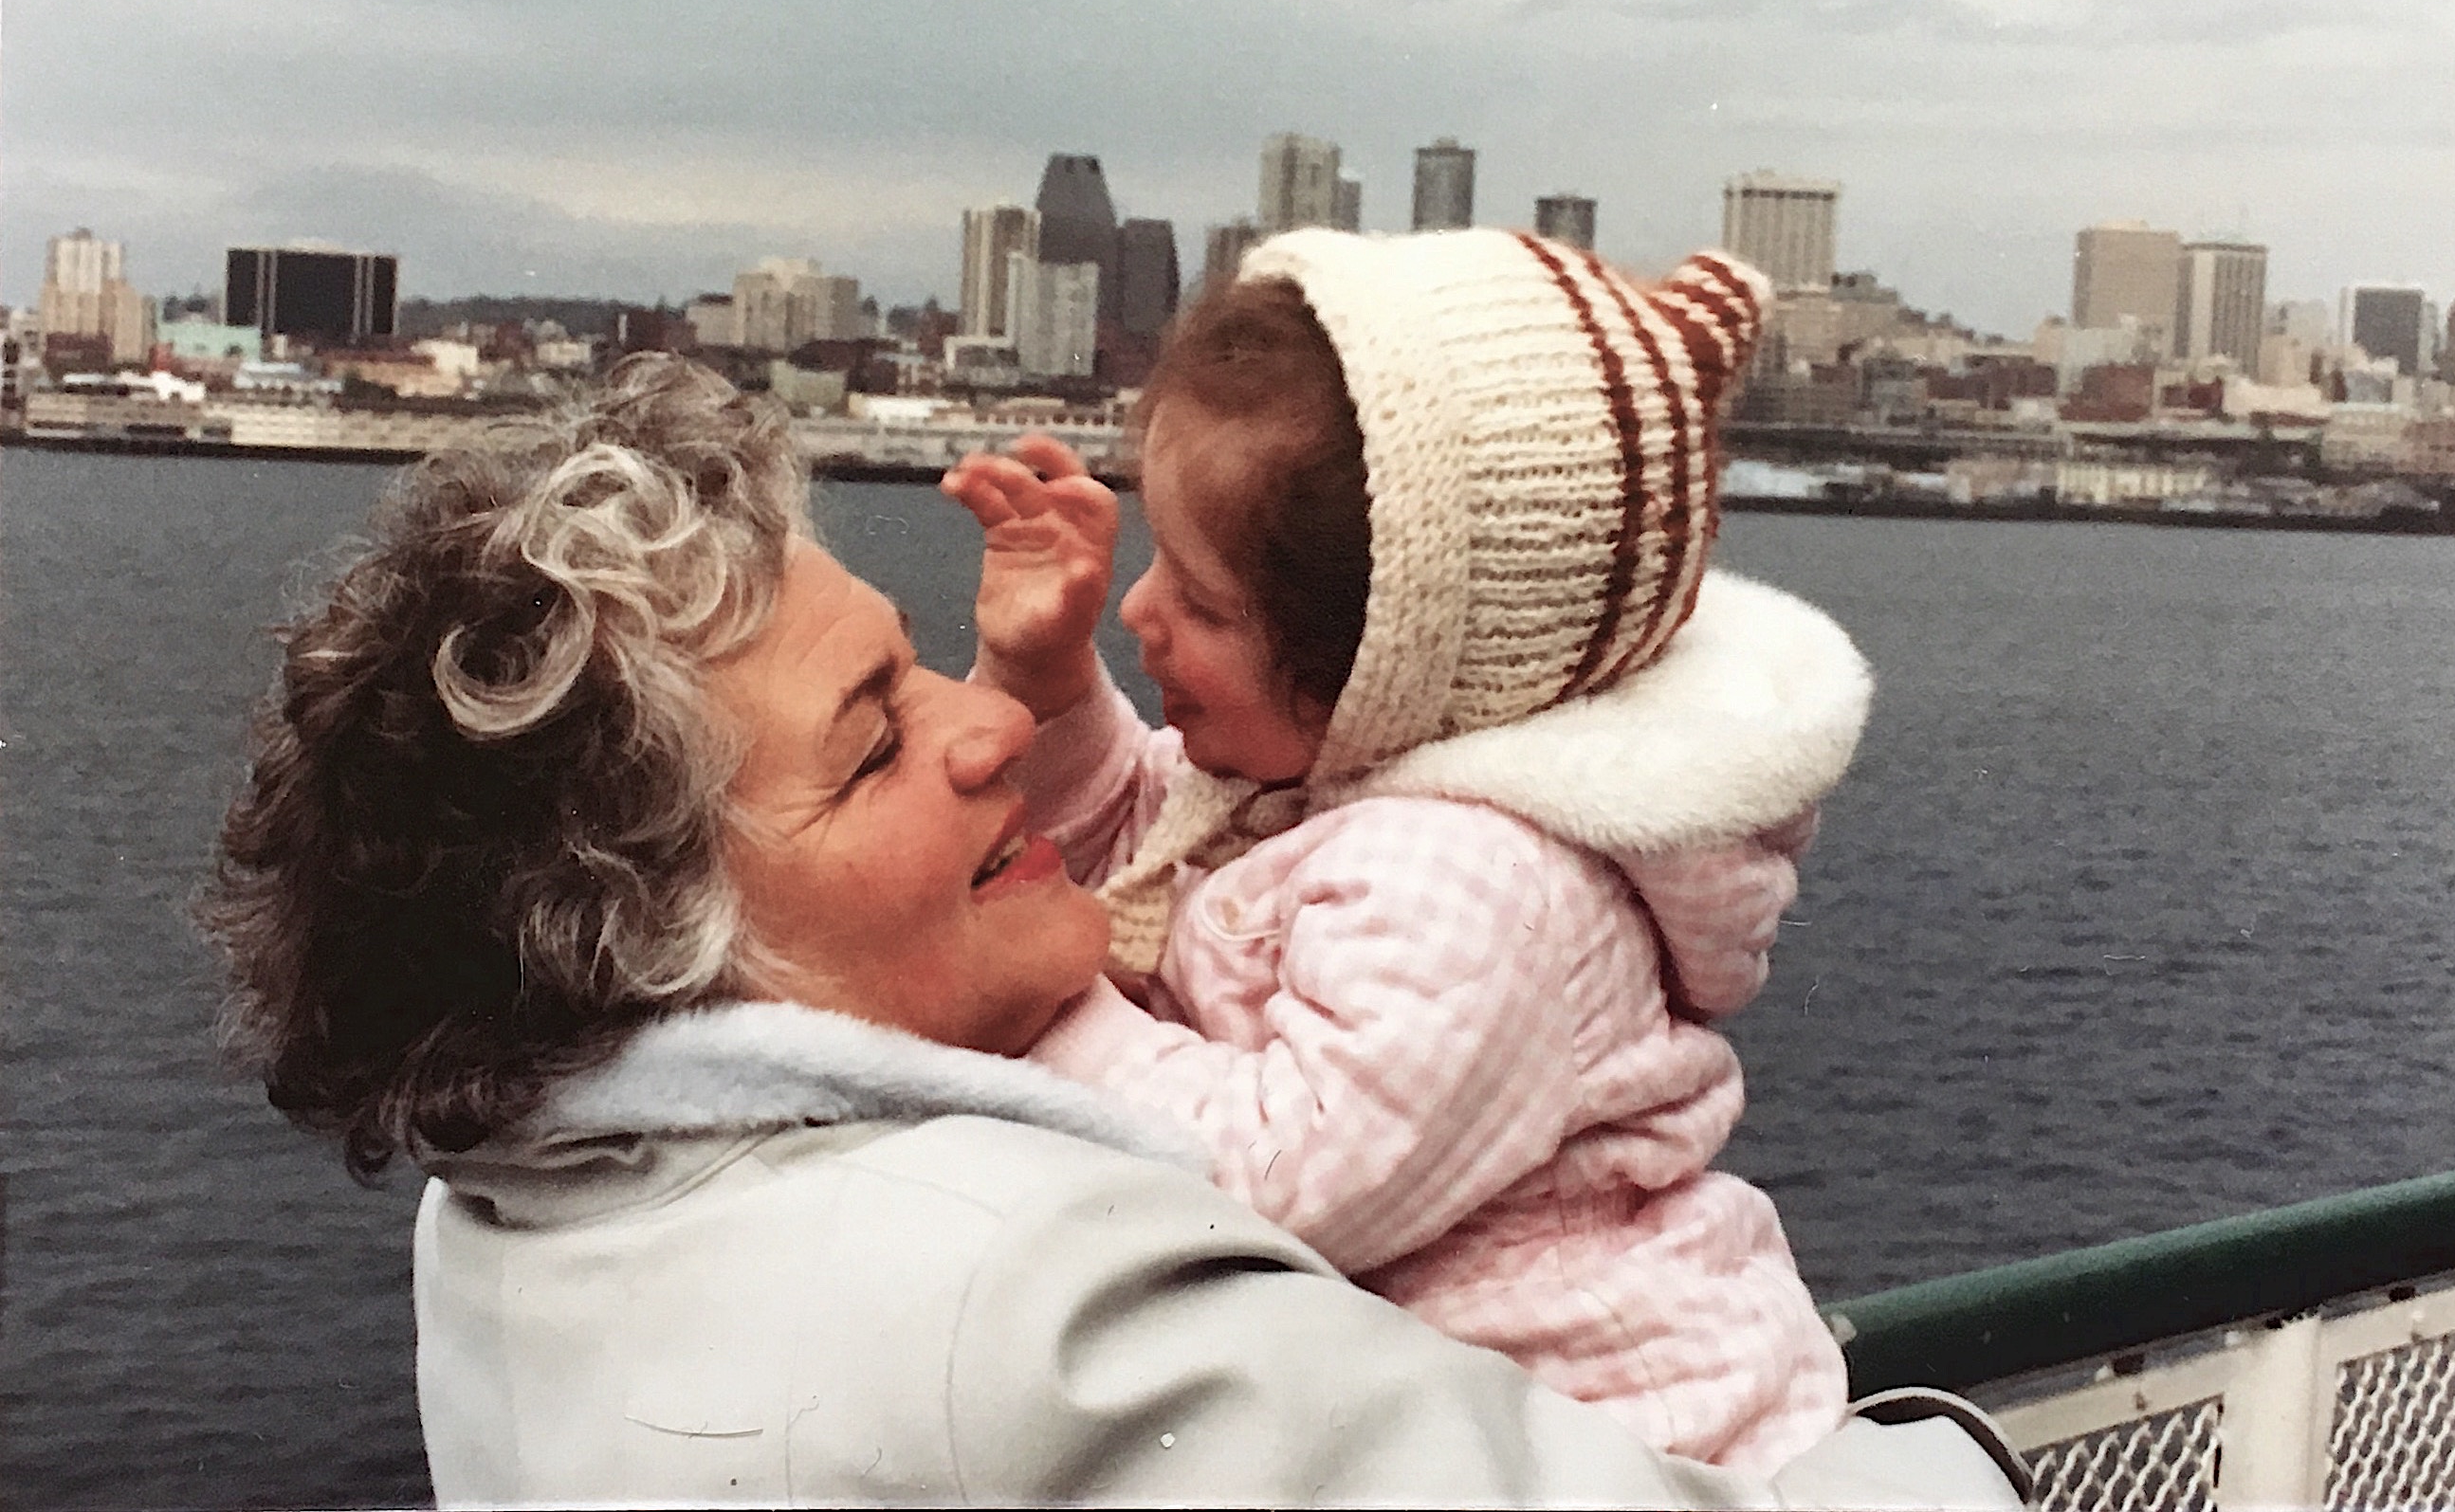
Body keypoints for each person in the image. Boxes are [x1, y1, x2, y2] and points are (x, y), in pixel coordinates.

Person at [201, 356, 2022, 1507]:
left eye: (916, 665)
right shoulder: (1032, 1299)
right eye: (873, 744)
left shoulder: (502, 1206)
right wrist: (1956, 1458)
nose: (981, 717)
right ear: (663, 938)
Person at [944, 228, 1869, 1473]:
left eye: (1203, 602)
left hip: (1627, 1453)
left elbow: (1289, 1173)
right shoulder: (1313, 783)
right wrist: (1050, 686)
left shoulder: (1474, 882)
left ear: (1386, 669)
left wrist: (1037, 1011)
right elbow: (1141, 833)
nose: (1138, 610)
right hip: (1463, 1432)